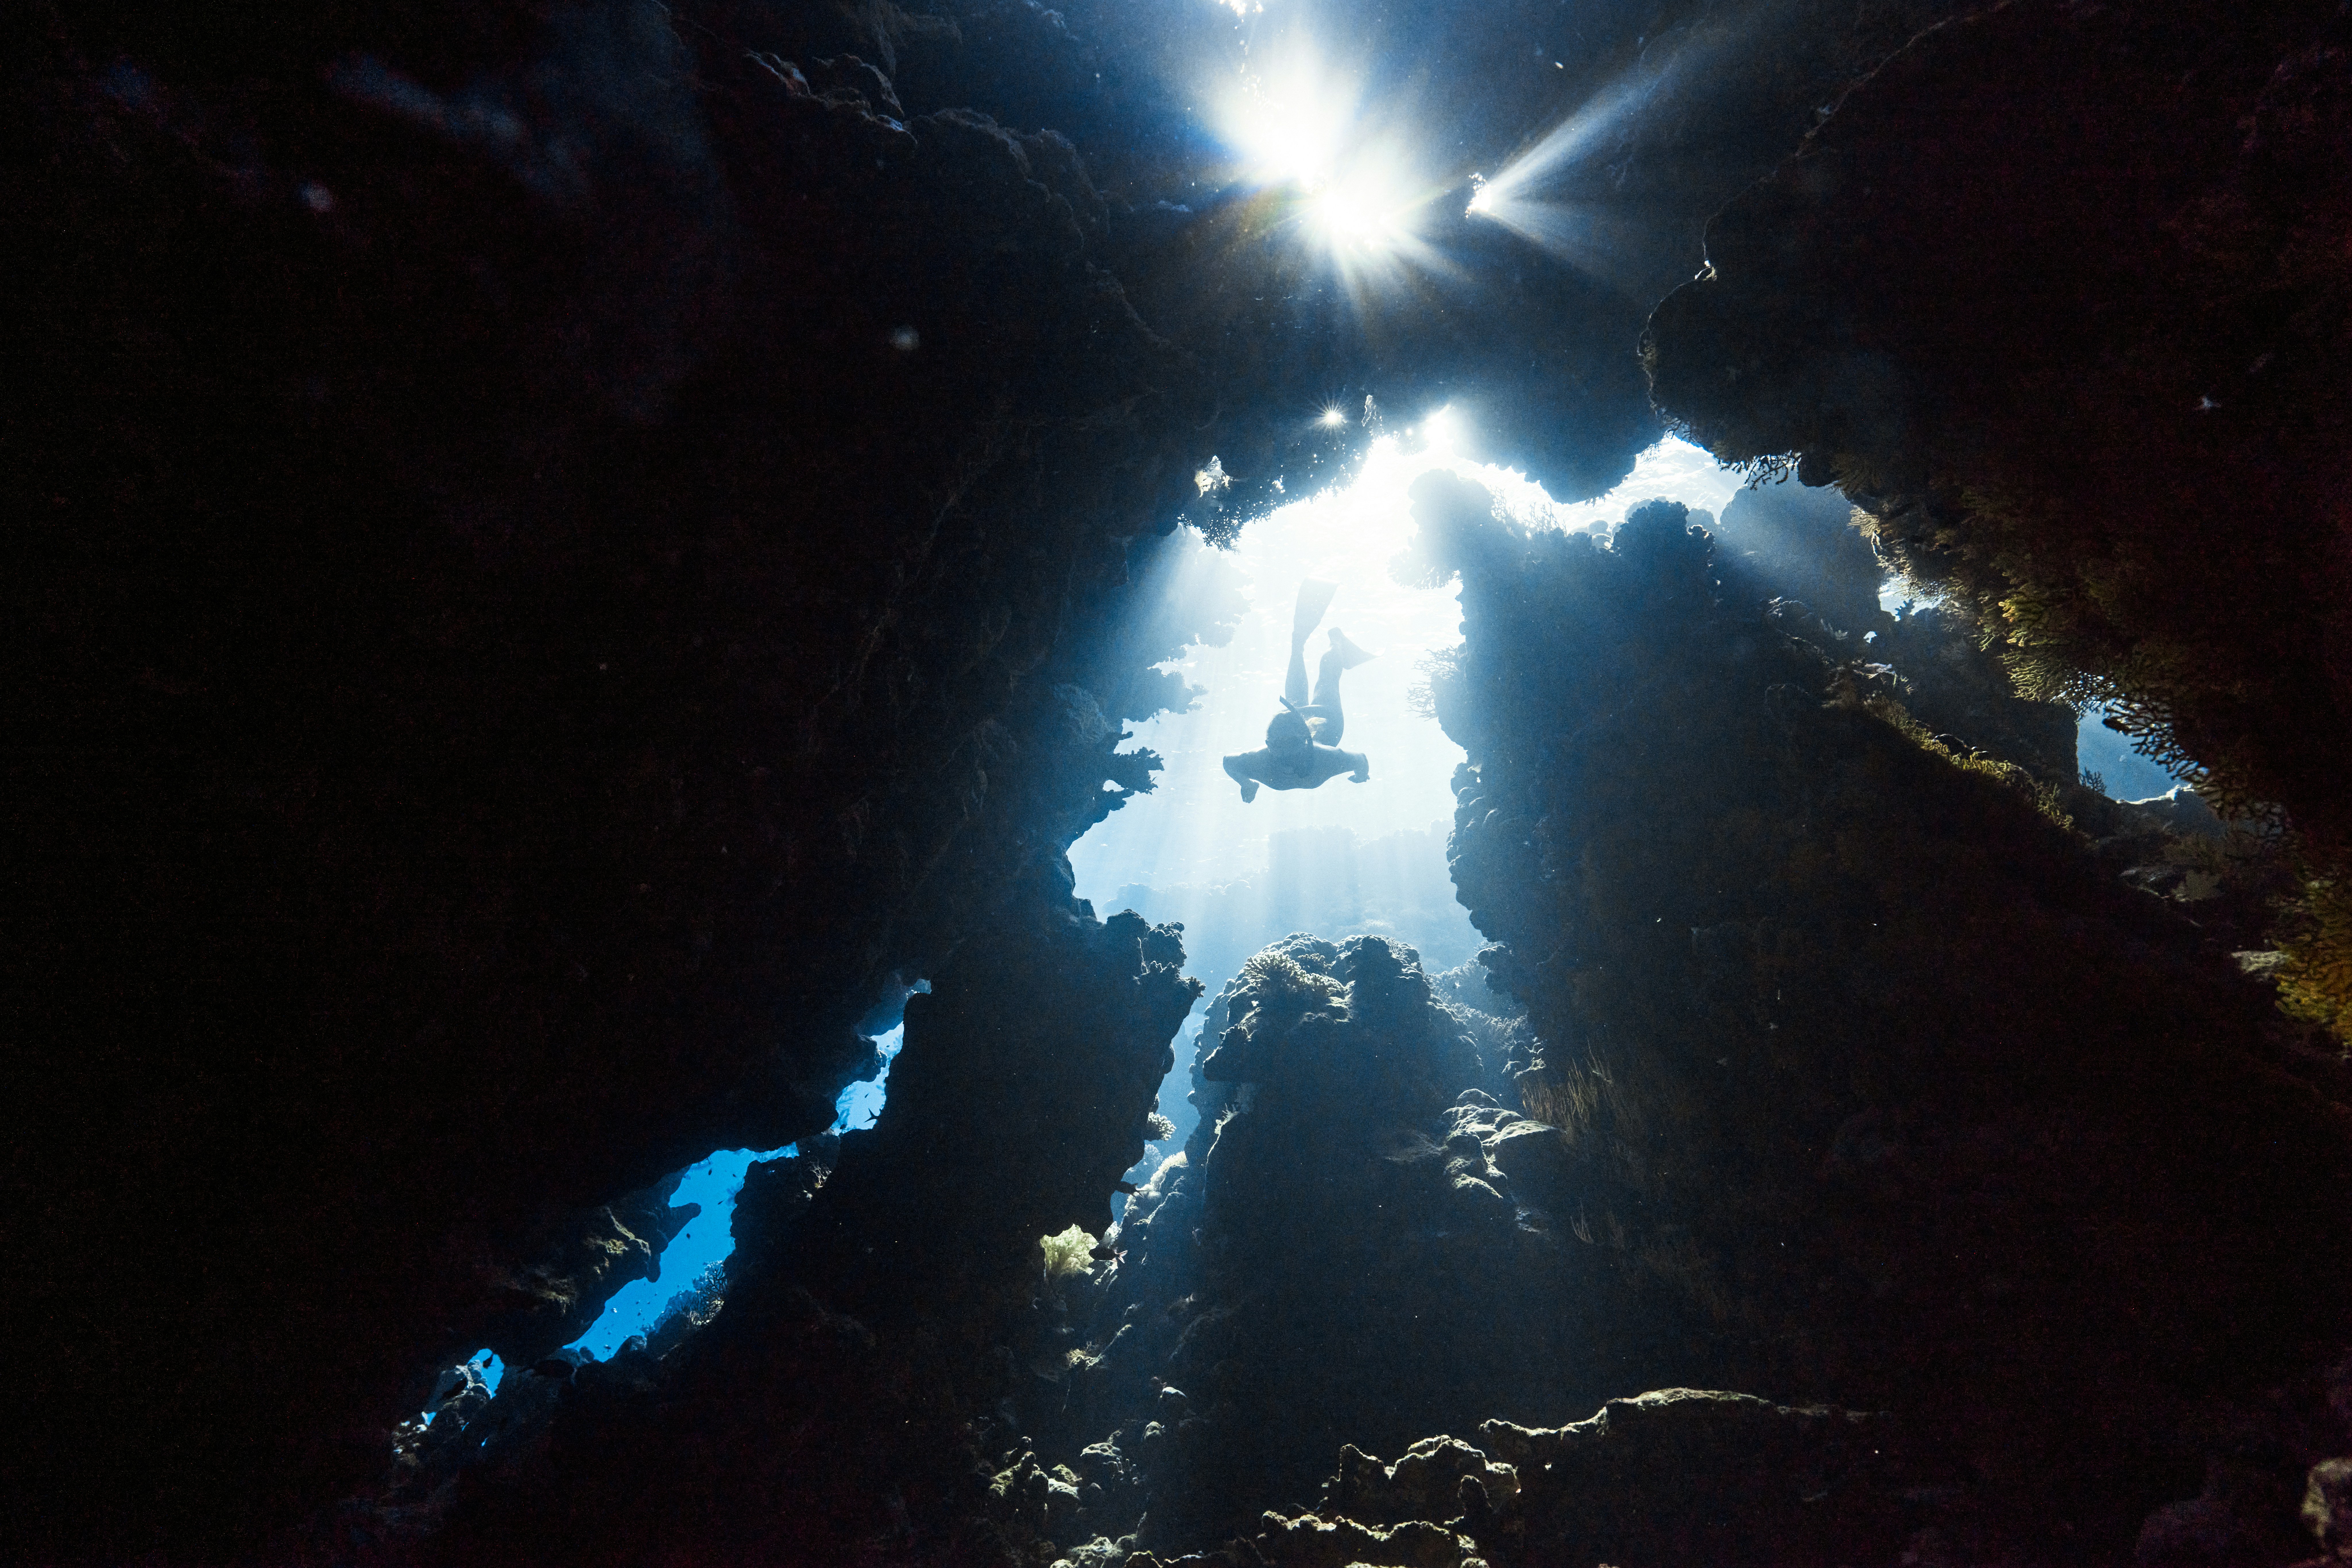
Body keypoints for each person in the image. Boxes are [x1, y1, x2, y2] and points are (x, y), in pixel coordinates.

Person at [1223, 579, 1375, 802]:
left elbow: (1229, 762)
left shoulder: (1324, 758)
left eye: (1290, 745)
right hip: (1329, 725)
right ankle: (1316, 644)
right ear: (1268, 745)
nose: (1286, 755)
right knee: (1327, 681)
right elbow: (1359, 760)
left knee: (1327, 681)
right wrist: (1361, 775)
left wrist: (1247, 783)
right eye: (1278, 746)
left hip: (1323, 722)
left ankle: (1336, 642)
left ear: (1305, 739)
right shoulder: (1265, 760)